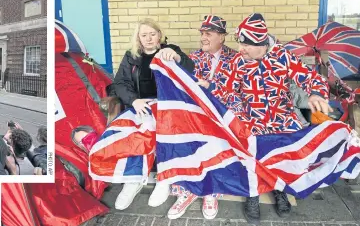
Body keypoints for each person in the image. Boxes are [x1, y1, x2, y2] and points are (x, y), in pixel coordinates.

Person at [198, 13, 333, 223]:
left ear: (260, 43)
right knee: (249, 151)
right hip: (250, 117)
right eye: (240, 43)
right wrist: (210, 87)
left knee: (281, 154)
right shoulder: (238, 61)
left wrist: (316, 93)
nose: (241, 49)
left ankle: (279, 190)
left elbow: (312, 78)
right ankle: (252, 195)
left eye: (246, 45)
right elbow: (225, 88)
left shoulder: (282, 56)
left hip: (281, 116)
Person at [73, 18, 194, 211]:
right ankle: (134, 179)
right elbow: (120, 83)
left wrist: (177, 57)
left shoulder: (169, 50)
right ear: (138, 37)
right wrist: (134, 100)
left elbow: (190, 70)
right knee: (130, 133)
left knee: (163, 132)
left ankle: (164, 178)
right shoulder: (131, 56)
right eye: (144, 35)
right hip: (139, 106)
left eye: (152, 34)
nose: (148, 38)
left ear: (159, 35)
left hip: (167, 107)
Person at [167, 15, 237, 220]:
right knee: (182, 137)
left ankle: (210, 192)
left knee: (217, 140)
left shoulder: (235, 59)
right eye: (202, 34)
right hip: (196, 116)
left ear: (222, 37)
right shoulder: (193, 58)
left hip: (224, 115)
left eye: (209, 34)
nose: (203, 38)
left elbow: (239, 90)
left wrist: (212, 88)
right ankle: (186, 191)